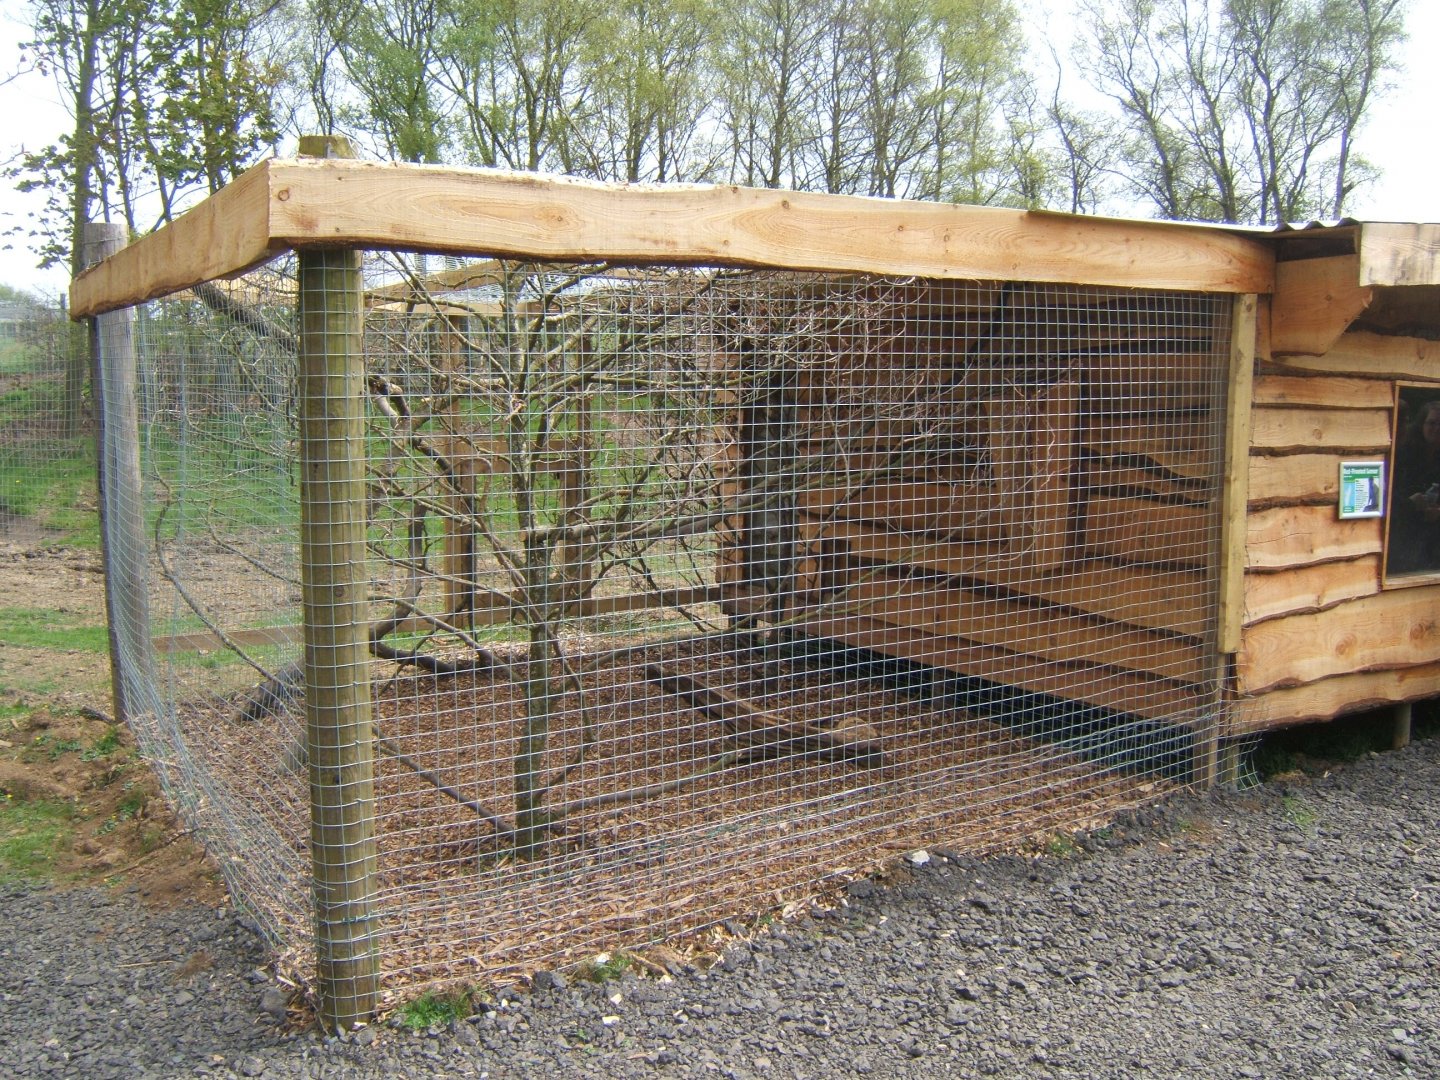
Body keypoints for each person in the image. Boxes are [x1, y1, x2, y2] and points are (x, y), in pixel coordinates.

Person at [1389, 399, 1440, 574]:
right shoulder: (1406, 454)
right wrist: (1413, 504)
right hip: (1405, 527)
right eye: (1432, 423)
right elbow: (1393, 495)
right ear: (1421, 424)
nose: (1437, 428)